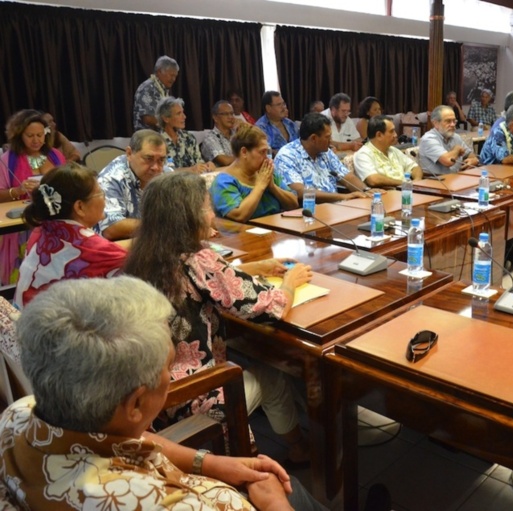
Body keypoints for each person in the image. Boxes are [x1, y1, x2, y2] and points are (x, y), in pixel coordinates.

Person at [3, 276, 325, 511]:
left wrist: (212, 464)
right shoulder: (166, 505)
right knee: (293, 490)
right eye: (169, 366)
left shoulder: (17, 418)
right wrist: (273, 504)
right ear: (136, 404)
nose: (171, 375)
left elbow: (129, 439)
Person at [124, 172, 315, 465]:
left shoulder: (145, 255)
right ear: (188, 215)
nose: (212, 215)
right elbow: (267, 307)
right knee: (273, 374)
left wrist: (253, 265)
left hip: (150, 398)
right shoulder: (197, 257)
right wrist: (290, 281)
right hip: (189, 397)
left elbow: (207, 280)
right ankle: (299, 449)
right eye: (207, 207)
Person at [14, 163, 127, 309]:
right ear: (80, 207)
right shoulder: (96, 251)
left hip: (24, 321)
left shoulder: (41, 229)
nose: (105, 199)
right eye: (100, 193)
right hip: (52, 329)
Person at [0, 110, 65, 285]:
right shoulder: (7, 160)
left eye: (39, 135)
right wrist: (18, 190)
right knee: (25, 275)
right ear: (19, 135)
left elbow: (67, 185)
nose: (36, 140)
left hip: (53, 220)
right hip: (22, 224)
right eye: (30, 136)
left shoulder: (54, 155)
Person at [274, 113, 369, 203]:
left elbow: (347, 177)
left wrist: (366, 190)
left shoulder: (326, 152)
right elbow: (299, 191)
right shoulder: (287, 156)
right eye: (327, 137)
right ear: (314, 138)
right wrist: (343, 197)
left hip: (336, 207)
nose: (331, 141)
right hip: (310, 211)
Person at [211, 124, 298, 221]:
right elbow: (239, 216)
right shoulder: (223, 182)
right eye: (262, 152)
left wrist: (273, 187)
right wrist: (260, 185)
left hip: (276, 230)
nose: (267, 158)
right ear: (244, 152)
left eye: (267, 152)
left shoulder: (266, 172)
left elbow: (294, 205)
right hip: (245, 234)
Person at [97, 129, 171, 240]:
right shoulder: (111, 179)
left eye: (161, 160)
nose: (156, 167)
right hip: (121, 247)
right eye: (148, 159)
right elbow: (111, 228)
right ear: (129, 153)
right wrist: (163, 226)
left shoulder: (166, 173)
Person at [353, 115, 422, 187]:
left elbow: (415, 167)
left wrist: (417, 180)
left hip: (405, 190)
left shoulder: (393, 150)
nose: (395, 135)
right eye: (391, 131)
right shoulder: (363, 154)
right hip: (385, 194)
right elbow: (373, 179)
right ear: (379, 135)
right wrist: (404, 183)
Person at [157, 96, 215, 174]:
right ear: (166, 118)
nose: (184, 117)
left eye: (183, 112)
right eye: (178, 114)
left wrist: (207, 165)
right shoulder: (157, 141)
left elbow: (199, 163)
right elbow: (162, 171)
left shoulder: (189, 138)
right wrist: (190, 170)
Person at [419, 105, 479, 175]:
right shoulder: (429, 139)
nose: (453, 124)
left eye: (454, 121)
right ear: (436, 123)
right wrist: (457, 149)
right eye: (448, 121)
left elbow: (469, 154)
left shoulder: (455, 137)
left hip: (456, 178)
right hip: (437, 181)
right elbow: (448, 161)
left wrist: (474, 160)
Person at [133, 55, 179, 131]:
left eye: (175, 76)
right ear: (159, 72)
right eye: (171, 75)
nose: (173, 79)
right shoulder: (148, 88)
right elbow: (147, 118)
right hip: (147, 138)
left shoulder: (163, 88)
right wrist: (169, 124)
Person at [256, 91, 299, 155]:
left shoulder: (290, 123)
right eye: (279, 104)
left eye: (284, 104)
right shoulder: (260, 127)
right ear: (268, 108)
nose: (283, 107)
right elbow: (263, 151)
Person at [201, 100, 237, 166]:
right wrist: (246, 158)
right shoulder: (210, 138)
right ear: (215, 118)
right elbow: (225, 161)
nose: (230, 117)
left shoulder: (237, 134)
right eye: (226, 114)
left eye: (232, 113)